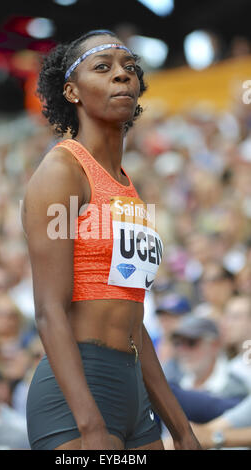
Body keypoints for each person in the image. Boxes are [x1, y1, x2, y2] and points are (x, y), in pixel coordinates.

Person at [23, 29, 201, 450]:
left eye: (130, 68)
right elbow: (49, 310)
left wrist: (182, 430)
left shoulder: (128, 188)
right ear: (71, 91)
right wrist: (90, 427)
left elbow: (134, 322)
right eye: (103, 68)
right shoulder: (61, 172)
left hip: (134, 390)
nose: (122, 76)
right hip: (77, 396)